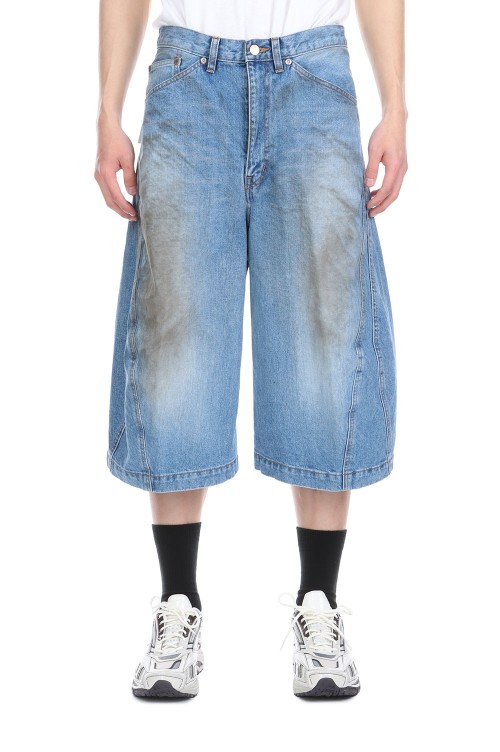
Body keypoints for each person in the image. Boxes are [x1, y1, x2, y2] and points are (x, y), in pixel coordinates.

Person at [95, 0, 407, 699]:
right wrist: (106, 111)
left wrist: (396, 106)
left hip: (313, 78)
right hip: (187, 81)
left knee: (323, 339)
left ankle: (319, 606)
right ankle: (178, 606)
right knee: (178, 344)